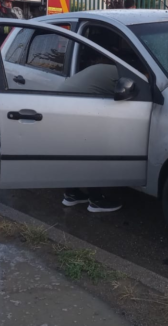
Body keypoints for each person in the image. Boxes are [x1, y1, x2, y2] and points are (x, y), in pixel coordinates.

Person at [58, 51, 123, 213]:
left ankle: (71, 193)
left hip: (58, 107)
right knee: (93, 152)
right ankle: (96, 200)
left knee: (77, 153)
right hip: (76, 109)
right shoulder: (121, 74)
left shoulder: (98, 70)